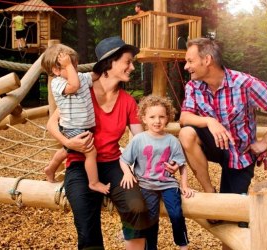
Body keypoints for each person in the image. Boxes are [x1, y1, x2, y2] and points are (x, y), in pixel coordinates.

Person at [47, 36, 177, 250]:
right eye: (128, 61)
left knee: (137, 208)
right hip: (79, 164)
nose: (132, 67)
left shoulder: (127, 100)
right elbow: (52, 124)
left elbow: (141, 140)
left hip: (113, 164)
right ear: (110, 63)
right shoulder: (80, 90)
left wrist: (163, 162)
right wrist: (69, 142)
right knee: (86, 223)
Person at [178, 38, 267, 249]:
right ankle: (209, 192)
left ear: (207, 60)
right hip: (215, 145)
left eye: (190, 61)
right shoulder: (194, 85)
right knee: (186, 134)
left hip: (241, 153)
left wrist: (265, 142)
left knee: (232, 217)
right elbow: (184, 117)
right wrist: (209, 121)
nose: (186, 66)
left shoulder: (245, 83)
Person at [120, 95, 194, 250]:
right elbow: (124, 160)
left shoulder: (172, 141)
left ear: (168, 118)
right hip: (146, 185)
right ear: (144, 119)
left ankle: (183, 243)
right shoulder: (139, 139)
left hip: (168, 184)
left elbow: (182, 165)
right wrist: (127, 173)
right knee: (151, 219)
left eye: (161, 116)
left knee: (176, 213)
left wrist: (184, 185)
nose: (157, 121)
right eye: (152, 117)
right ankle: (151, 247)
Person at [41, 44, 110, 194]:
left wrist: (105, 66)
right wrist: (68, 66)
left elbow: (93, 75)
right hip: (72, 127)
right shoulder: (57, 83)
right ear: (56, 70)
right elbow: (74, 86)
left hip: (83, 125)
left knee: (68, 150)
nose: (75, 68)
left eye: (75, 65)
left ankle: (50, 168)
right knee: (91, 152)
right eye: (69, 66)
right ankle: (94, 183)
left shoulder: (80, 77)